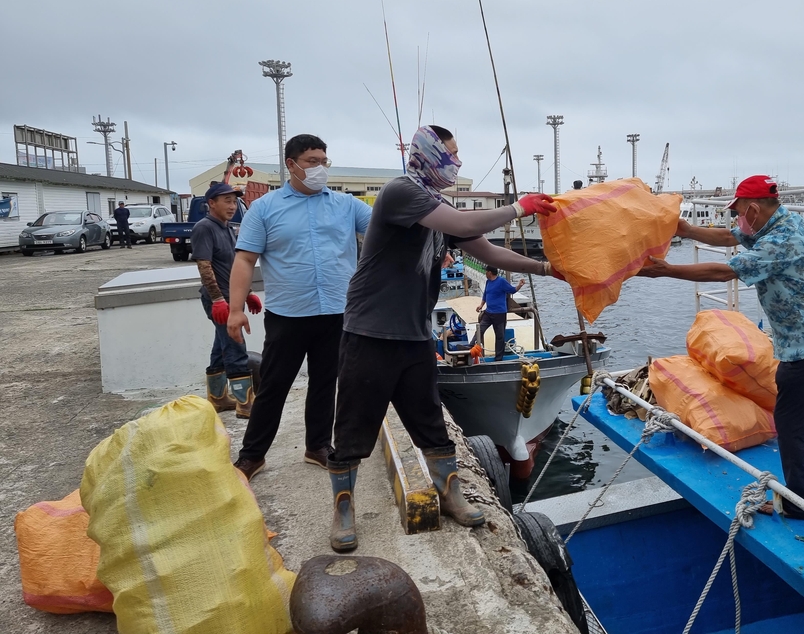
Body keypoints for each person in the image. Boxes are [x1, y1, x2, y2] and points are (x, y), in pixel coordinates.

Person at [327, 125, 563, 552]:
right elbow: (459, 221)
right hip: (370, 331)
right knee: (353, 426)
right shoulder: (403, 192)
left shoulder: (438, 205)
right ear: (429, 154)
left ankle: (449, 492)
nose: (456, 163)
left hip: (415, 334)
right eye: (450, 154)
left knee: (431, 421)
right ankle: (343, 508)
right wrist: (518, 208)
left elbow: (488, 252)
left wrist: (546, 269)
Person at [637, 174, 804, 520]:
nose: (737, 220)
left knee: (791, 424)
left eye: (738, 212)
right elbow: (729, 237)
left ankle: (798, 505)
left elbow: (723, 272)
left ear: (752, 208)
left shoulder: (779, 242)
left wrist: (666, 270)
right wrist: (687, 231)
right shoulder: (784, 220)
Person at [227, 134, 372, 482]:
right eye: (311, 161)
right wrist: (235, 309)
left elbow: (387, 231)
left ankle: (318, 446)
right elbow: (245, 259)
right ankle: (252, 456)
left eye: (324, 161)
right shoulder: (265, 208)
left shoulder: (347, 206)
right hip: (288, 314)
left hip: (337, 312)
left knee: (325, 383)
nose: (320, 168)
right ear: (291, 165)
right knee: (274, 385)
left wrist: (434, 244)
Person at [191, 182, 261, 415]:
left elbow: (232, 266)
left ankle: (218, 398)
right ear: (211, 203)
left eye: (234, 202)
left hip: (231, 297)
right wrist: (218, 299)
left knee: (221, 346)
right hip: (219, 299)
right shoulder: (205, 227)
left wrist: (248, 293)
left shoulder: (227, 228)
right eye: (227, 201)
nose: (232, 206)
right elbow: (205, 266)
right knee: (235, 346)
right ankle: (245, 403)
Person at [473, 265, 525, 360]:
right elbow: (485, 294)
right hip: (488, 312)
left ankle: (498, 358)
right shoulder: (488, 282)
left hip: (499, 314)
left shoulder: (501, 281)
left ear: (490, 272)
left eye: (486, 271)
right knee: (480, 329)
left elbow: (512, 290)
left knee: (499, 336)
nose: (485, 273)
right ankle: (470, 346)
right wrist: (481, 305)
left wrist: (519, 285)